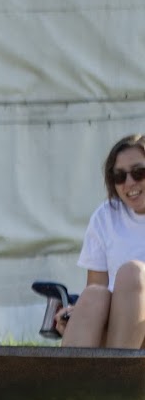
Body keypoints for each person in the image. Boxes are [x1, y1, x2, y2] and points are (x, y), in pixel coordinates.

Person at [55, 134, 145, 348]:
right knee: (94, 295)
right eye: (119, 176)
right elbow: (97, 287)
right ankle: (68, 378)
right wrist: (74, 314)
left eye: (139, 172)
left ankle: (118, 376)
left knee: (132, 274)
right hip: (118, 327)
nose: (129, 182)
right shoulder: (106, 216)